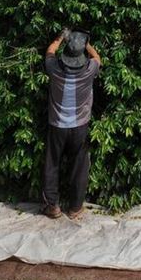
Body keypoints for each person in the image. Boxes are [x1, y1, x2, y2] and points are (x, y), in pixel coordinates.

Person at [41, 29, 101, 219]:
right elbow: (97, 57)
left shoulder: (53, 68)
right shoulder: (90, 69)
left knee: (52, 163)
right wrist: (85, 43)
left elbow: (50, 51)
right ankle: (75, 208)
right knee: (79, 165)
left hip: (57, 125)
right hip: (80, 126)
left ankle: (52, 206)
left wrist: (61, 38)